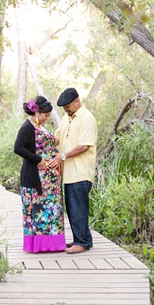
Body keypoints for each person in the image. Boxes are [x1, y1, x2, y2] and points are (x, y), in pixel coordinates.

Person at [13, 96, 66, 253]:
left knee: (52, 212)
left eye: (49, 116)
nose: (46, 119)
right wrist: (38, 160)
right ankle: (37, 245)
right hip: (37, 180)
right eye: (45, 116)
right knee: (37, 212)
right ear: (37, 113)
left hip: (50, 183)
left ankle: (53, 244)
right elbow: (18, 148)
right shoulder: (27, 128)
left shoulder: (40, 127)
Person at [50, 88, 98, 254]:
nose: (66, 110)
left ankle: (82, 242)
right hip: (68, 172)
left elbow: (84, 145)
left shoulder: (87, 118)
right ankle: (83, 238)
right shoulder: (66, 118)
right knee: (72, 208)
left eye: (68, 106)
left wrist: (63, 156)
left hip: (80, 171)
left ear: (77, 102)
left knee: (78, 208)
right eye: (64, 108)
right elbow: (56, 138)